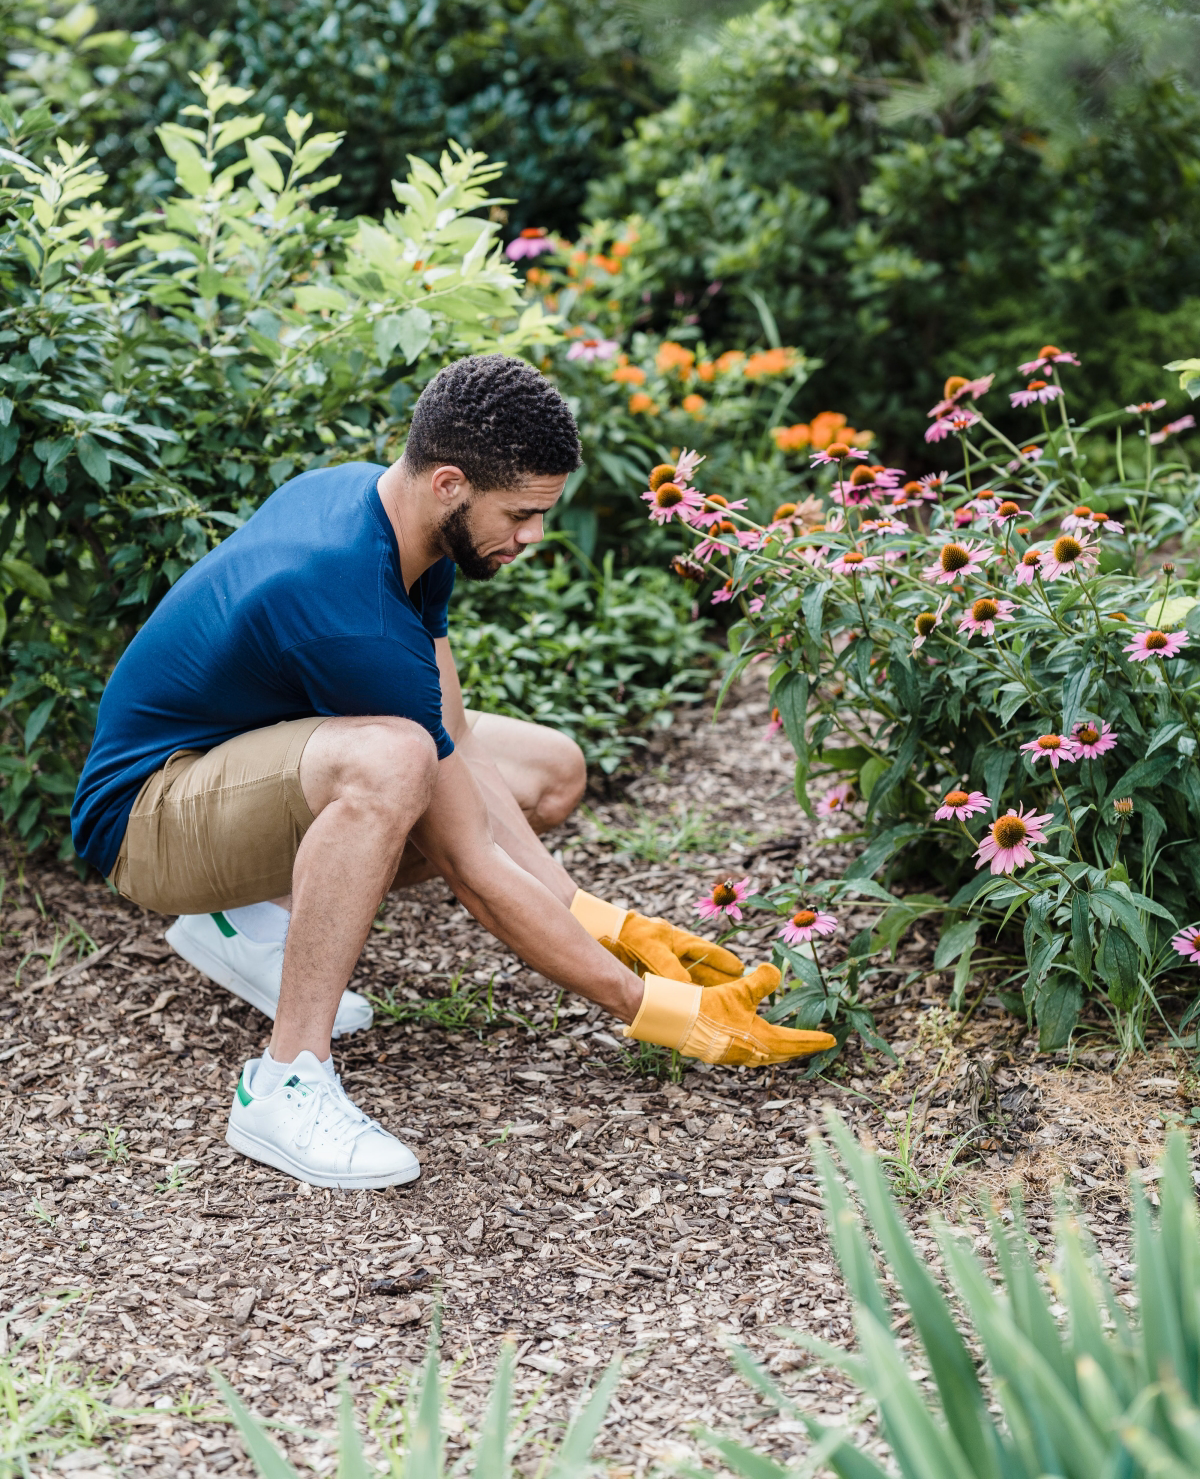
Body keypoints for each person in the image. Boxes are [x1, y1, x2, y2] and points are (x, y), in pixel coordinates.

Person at [71, 355, 833, 1190]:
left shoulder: (394, 514)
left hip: (231, 762)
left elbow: (457, 737)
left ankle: (245, 919)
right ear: (450, 483)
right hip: (148, 819)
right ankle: (286, 1081)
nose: (533, 536)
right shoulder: (344, 602)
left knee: (547, 771)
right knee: (391, 765)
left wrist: (600, 919)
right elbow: (470, 860)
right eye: (521, 513)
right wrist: (646, 1005)